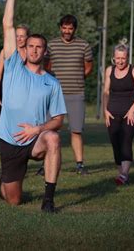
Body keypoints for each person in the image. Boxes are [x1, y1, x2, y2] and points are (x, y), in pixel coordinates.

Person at [0, 0, 67, 213]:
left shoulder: (52, 83)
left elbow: (59, 119)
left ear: (45, 52)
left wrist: (38, 129)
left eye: (39, 47)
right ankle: (6, 182)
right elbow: (8, 24)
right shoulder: (13, 65)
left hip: (35, 139)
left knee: (54, 139)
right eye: (31, 46)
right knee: (13, 200)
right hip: (9, 140)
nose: (35, 50)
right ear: (24, 49)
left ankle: (48, 200)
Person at [45, 14, 93, 175]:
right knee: (51, 131)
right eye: (64, 28)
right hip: (54, 95)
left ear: (74, 29)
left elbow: (88, 67)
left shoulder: (83, 45)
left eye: (70, 28)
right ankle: (46, 164)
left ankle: (80, 165)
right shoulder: (51, 45)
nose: (67, 31)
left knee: (76, 130)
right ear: (60, 28)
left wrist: (78, 78)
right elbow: (46, 67)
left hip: (76, 93)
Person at [0, 24, 29, 177]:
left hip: (23, 101)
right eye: (17, 35)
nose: (19, 38)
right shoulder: (6, 51)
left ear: (27, 37)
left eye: (22, 35)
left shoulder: (30, 53)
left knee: (21, 133)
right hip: (4, 100)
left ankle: (18, 165)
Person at [103, 41, 134, 185]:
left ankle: (124, 175)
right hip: (112, 113)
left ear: (127, 58)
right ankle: (121, 173)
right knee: (115, 143)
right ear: (114, 58)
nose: (120, 61)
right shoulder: (109, 70)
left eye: (123, 58)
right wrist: (105, 111)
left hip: (129, 114)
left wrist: (132, 110)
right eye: (118, 58)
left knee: (126, 142)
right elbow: (106, 92)